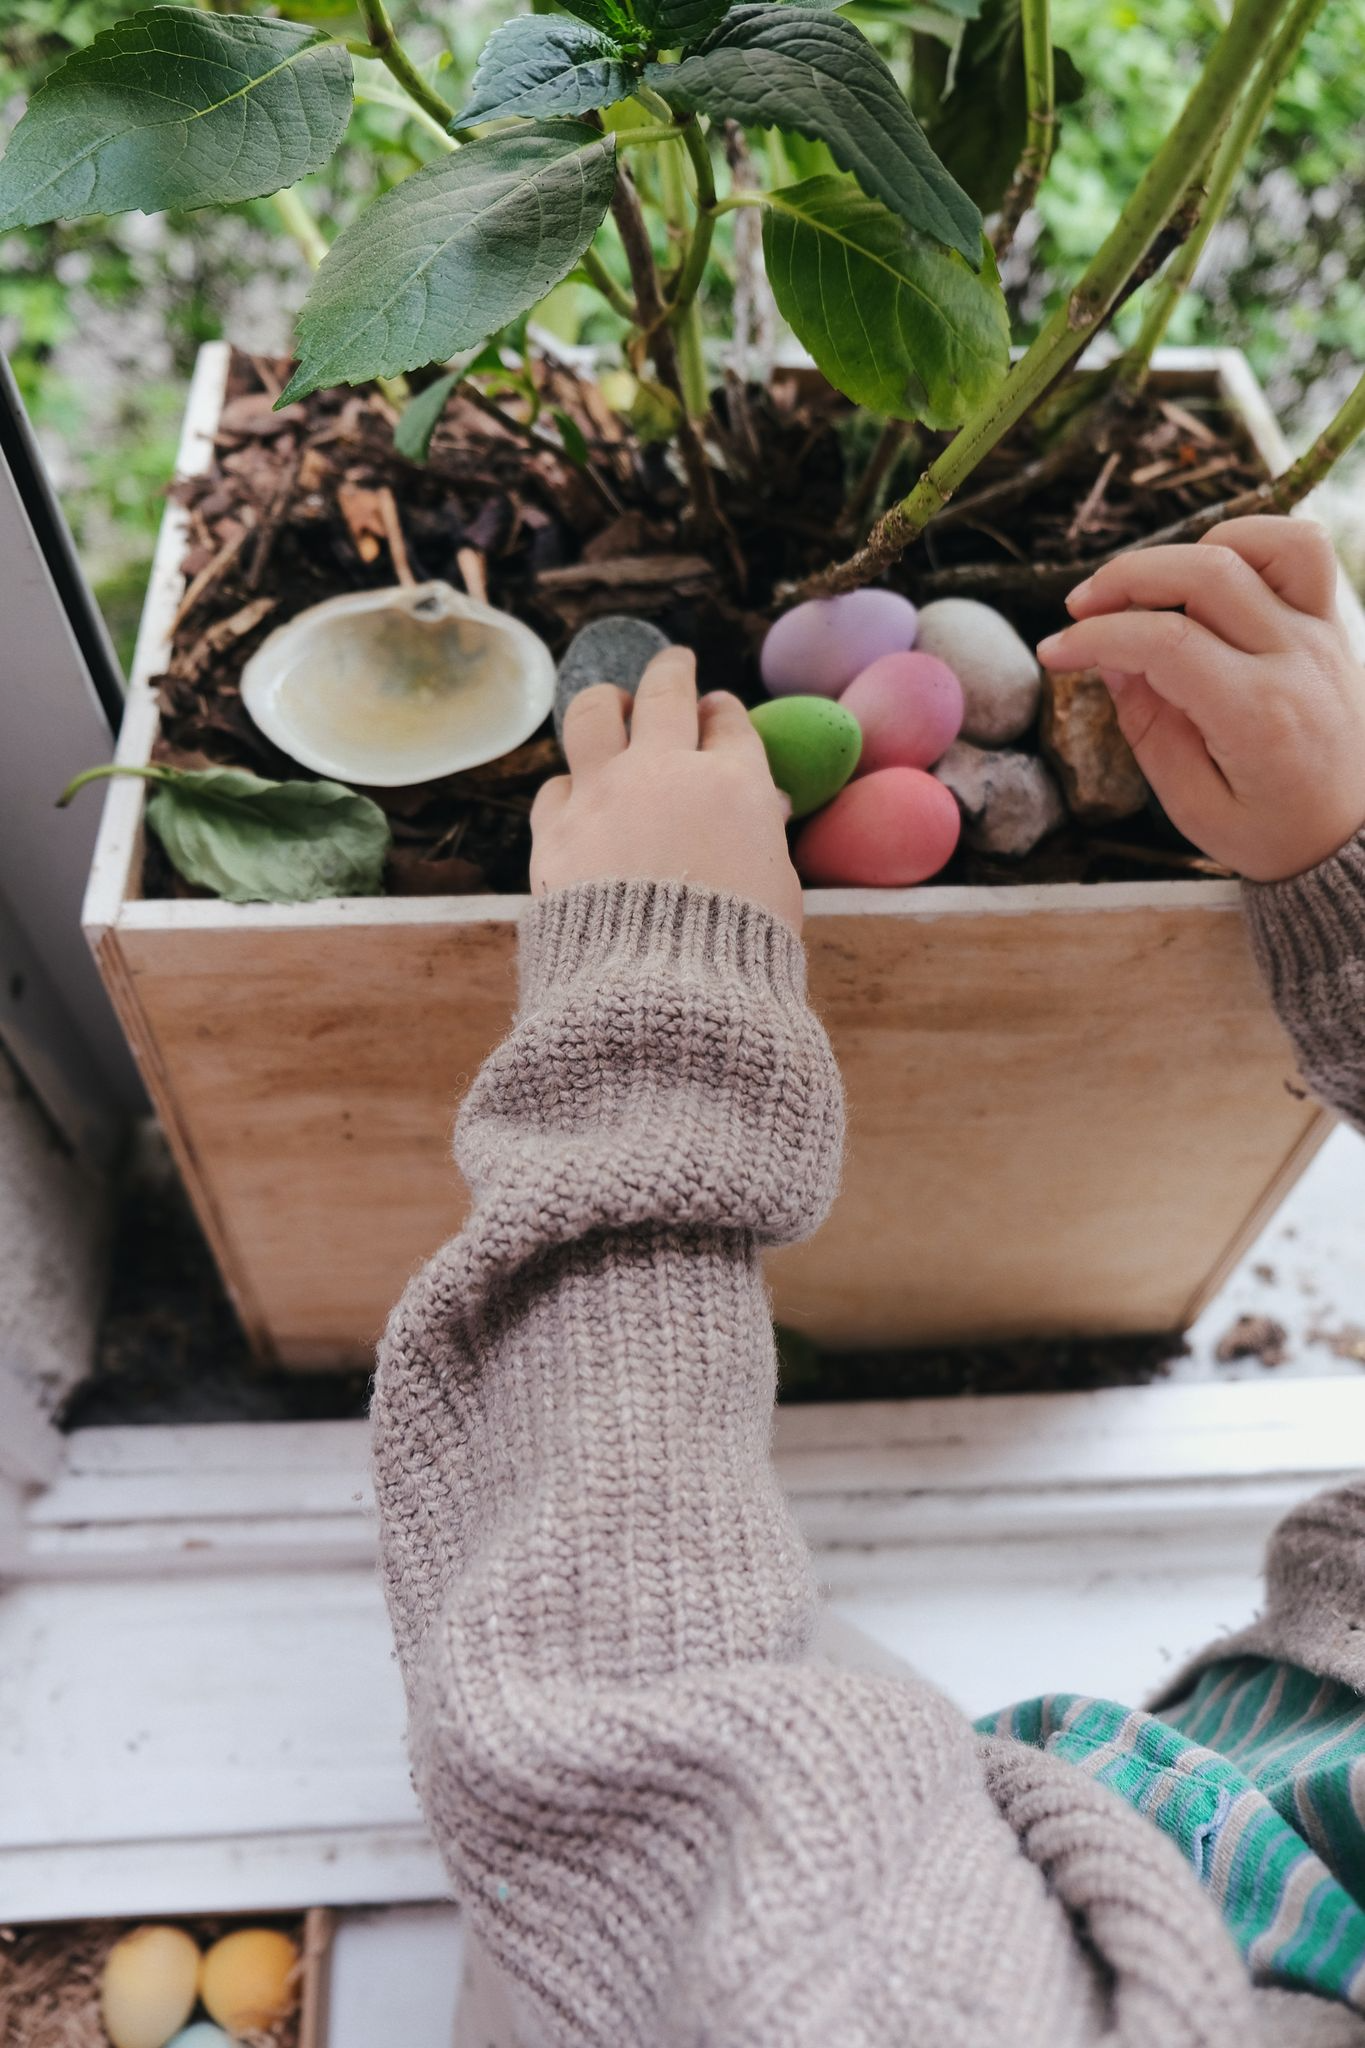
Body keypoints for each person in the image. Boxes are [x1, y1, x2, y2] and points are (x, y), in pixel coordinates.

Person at [371, 517, 1365, 2047]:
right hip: (1153, 1848)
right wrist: (1344, 862)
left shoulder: (872, 1996)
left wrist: (654, 1003)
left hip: (772, 1938)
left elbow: (620, 1733)